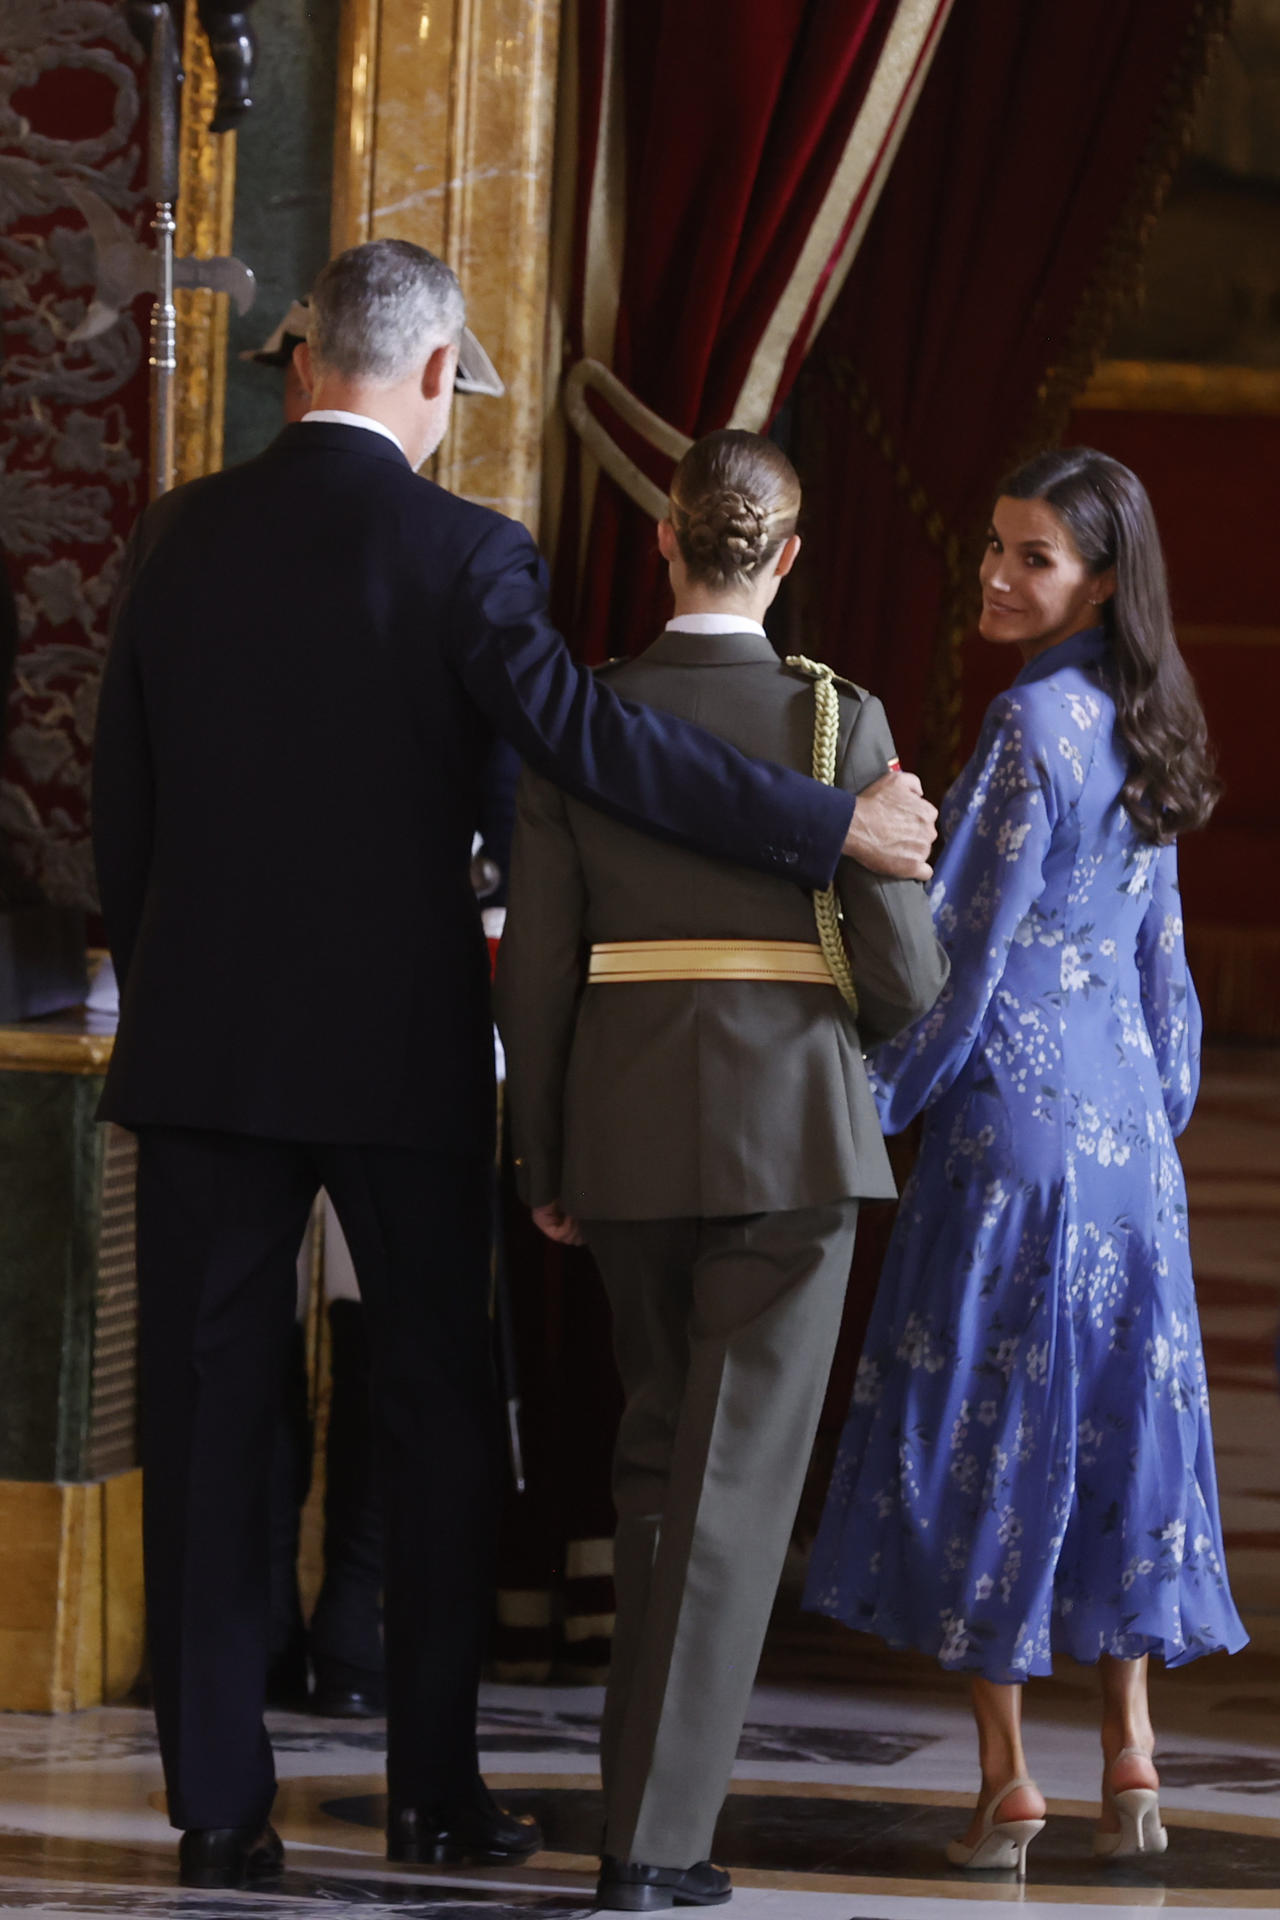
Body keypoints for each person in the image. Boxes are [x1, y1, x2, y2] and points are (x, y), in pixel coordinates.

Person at [91, 240, 937, 1893]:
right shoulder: (468, 550)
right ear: (434, 374)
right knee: (433, 1420)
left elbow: (122, 797)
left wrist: (169, 966)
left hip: (199, 1052)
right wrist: (824, 825)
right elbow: (587, 744)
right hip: (398, 1055)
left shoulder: (176, 534)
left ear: (301, 362)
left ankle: (215, 1809)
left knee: (200, 1425)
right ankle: (432, 1789)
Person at [496, 429, 949, 1912]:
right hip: (791, 1131)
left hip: (621, 1130)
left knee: (656, 1468)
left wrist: (546, 1149)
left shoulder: (589, 716)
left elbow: (537, 968)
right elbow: (905, 974)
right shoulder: (836, 722)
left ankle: (644, 1814)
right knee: (731, 1491)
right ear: (789, 557)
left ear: (664, 539)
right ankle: (652, 1845)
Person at [804, 447, 1248, 1879]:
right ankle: (1131, 1751)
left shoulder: (1028, 723)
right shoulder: (1149, 714)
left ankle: (1005, 1781)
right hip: (1131, 1148)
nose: (995, 576)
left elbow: (960, 951)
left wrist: (870, 1101)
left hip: (1018, 1133)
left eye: (1032, 558)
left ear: (1100, 581)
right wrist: (1156, 1116)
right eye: (994, 547)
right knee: (1119, 1426)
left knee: (991, 1427)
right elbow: (1163, 964)